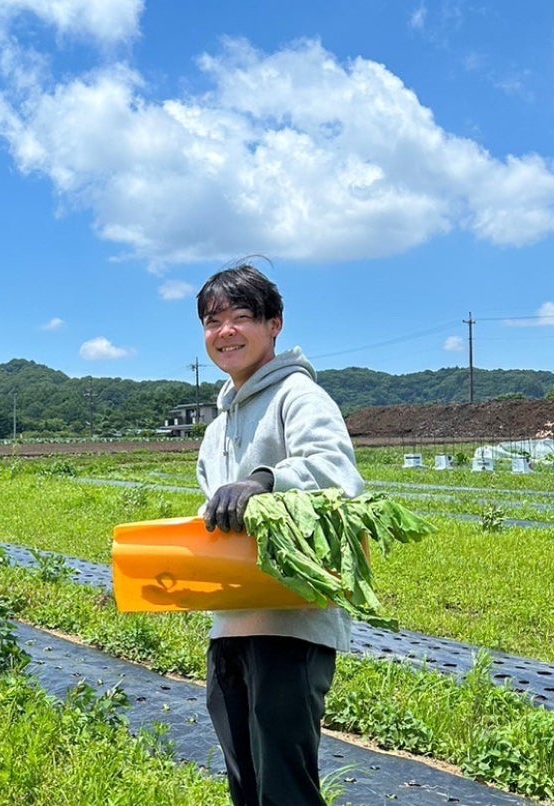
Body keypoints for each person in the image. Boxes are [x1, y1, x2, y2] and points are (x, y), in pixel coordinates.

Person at [195, 260, 365, 806]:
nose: (225, 331)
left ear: (274, 324)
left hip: (291, 624)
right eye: (213, 321)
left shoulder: (299, 396)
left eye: (241, 317)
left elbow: (337, 474)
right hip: (230, 624)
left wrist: (265, 480)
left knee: (285, 789)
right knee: (244, 783)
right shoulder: (217, 428)